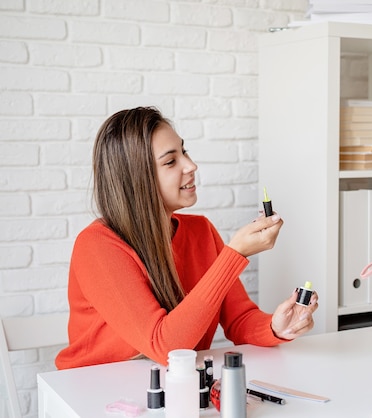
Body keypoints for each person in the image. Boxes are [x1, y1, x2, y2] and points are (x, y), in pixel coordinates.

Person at [56, 107, 318, 369]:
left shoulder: (200, 231)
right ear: (135, 179)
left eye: (184, 151)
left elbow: (239, 319)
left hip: (174, 384)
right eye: (170, 161)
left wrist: (275, 327)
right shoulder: (98, 246)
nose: (191, 165)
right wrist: (234, 255)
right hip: (92, 393)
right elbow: (166, 347)